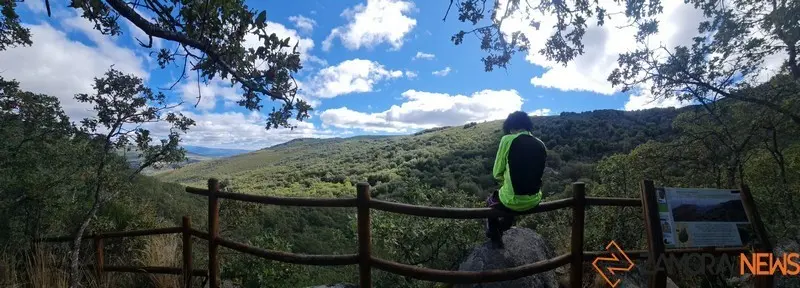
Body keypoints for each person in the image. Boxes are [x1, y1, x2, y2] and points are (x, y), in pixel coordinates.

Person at [486, 111, 547, 248]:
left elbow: (497, 173)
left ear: (510, 127)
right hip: (535, 200)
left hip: (513, 201)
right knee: (509, 195)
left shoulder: (507, 139)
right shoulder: (541, 144)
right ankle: (504, 227)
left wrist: (505, 180)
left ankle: (494, 234)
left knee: (492, 200)